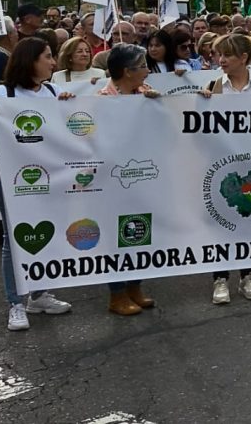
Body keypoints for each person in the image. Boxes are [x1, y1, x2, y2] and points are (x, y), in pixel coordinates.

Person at [0, 38, 75, 331]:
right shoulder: (3, 93)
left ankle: (39, 294)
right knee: (15, 239)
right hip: (13, 179)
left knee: (47, 233)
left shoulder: (54, 91)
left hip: (50, 179)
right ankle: (15, 303)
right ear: (30, 60)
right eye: (47, 57)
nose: (53, 62)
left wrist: (69, 109)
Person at [198, 34, 251, 304]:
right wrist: (201, 104)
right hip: (221, 169)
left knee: (250, 220)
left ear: (244, 58)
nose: (221, 60)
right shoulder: (213, 87)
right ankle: (220, 278)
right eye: (219, 55)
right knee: (221, 222)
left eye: (227, 55)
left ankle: (248, 275)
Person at [95, 44, 161, 314]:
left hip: (143, 177)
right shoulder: (101, 100)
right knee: (116, 236)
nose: (147, 70)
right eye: (143, 66)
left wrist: (159, 105)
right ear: (127, 71)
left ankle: (135, 286)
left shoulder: (145, 95)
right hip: (114, 179)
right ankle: (117, 293)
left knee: (139, 232)